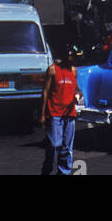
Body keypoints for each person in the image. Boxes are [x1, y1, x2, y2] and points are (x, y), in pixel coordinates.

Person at [39, 46, 80, 175]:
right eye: (71, 57)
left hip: (69, 114)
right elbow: (45, 92)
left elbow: (77, 90)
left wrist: (78, 96)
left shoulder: (73, 71)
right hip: (55, 114)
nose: (73, 61)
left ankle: (64, 172)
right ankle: (47, 168)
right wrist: (42, 114)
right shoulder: (52, 70)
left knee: (67, 148)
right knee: (54, 145)